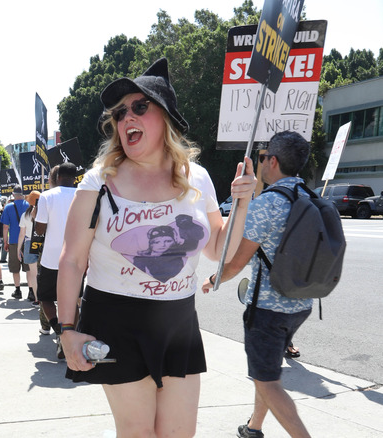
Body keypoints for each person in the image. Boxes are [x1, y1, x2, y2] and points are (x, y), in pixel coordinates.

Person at [57, 58, 256, 437]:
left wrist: (242, 204)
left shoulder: (196, 178)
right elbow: (72, 261)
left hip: (179, 321)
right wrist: (67, 329)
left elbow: (219, 249)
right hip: (116, 320)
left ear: (164, 116)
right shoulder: (98, 182)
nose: (126, 117)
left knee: (181, 434)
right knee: (138, 434)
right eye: (119, 113)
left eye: (139, 107)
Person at [201, 131, 313, 438]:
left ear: (272, 161)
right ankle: (254, 427)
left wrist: (214, 279)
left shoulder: (269, 203)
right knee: (268, 369)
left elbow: (237, 262)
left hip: (267, 310)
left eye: (263, 158)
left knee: (267, 381)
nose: (262, 162)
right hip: (302, 303)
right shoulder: (310, 196)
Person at [34, 162, 80, 359]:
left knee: (45, 297)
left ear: (57, 176)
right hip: (77, 257)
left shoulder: (47, 196)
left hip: (51, 257)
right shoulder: (83, 195)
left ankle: (58, 331)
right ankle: (68, 335)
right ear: (75, 177)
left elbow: (39, 230)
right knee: (73, 301)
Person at [1, 185, 30, 299]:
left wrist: (5, 242)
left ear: (13, 194)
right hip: (27, 240)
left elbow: (5, 227)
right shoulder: (29, 206)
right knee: (28, 267)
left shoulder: (8, 207)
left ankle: (17, 290)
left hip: (14, 240)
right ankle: (31, 291)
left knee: (15, 267)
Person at [17, 190, 41, 308]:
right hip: (43, 243)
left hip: (29, 243)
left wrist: (18, 249)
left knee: (33, 274)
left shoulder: (25, 215)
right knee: (45, 273)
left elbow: (22, 234)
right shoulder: (45, 213)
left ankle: (37, 299)